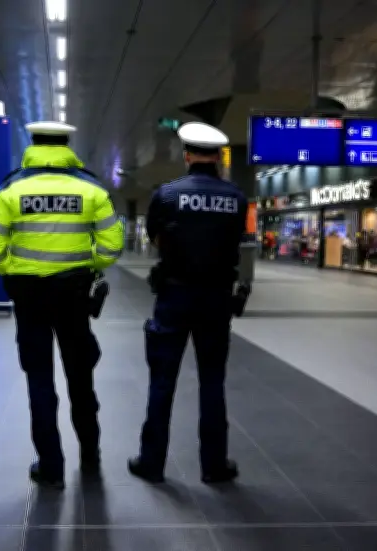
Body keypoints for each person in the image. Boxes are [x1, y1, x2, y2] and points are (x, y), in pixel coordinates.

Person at [0, 121, 124, 489]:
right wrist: (87, 264)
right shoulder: (90, 188)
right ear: (67, 144)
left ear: (34, 144)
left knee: (39, 379)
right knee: (81, 376)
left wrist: (17, 270)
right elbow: (111, 246)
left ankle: (50, 464)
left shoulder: (12, 188)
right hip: (74, 297)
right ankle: (90, 452)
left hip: (28, 299)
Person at [129, 121, 247, 484]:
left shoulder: (166, 195)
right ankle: (213, 466)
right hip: (216, 300)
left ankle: (152, 463)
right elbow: (236, 241)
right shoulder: (236, 198)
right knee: (213, 382)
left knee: (162, 381)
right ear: (219, 158)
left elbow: (153, 237)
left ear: (187, 156)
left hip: (174, 297)